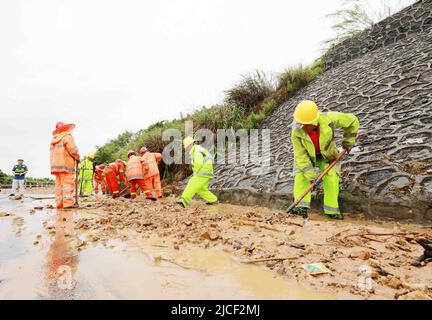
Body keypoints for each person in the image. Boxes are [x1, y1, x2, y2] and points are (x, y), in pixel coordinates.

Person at [289, 100, 359, 220]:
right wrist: (312, 176)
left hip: (327, 155)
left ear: (314, 121)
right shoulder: (296, 131)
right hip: (308, 157)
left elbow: (352, 121)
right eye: (301, 123)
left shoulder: (329, 119)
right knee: (301, 175)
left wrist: (348, 142)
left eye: (306, 124)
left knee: (332, 176)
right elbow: (300, 156)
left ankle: (331, 210)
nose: (303, 127)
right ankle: (301, 208)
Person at [178, 137, 218, 208]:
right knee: (201, 189)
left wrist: (195, 173)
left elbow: (198, 163)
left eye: (186, 147)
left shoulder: (196, 151)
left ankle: (183, 201)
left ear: (189, 145)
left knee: (191, 183)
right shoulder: (197, 149)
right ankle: (213, 200)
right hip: (206, 171)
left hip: (203, 172)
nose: (186, 149)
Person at [50, 122, 80, 209]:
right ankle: (68, 204)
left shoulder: (53, 140)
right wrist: (77, 157)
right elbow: (73, 150)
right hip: (66, 166)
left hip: (56, 167)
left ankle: (60, 204)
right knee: (67, 185)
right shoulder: (67, 136)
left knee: (59, 187)